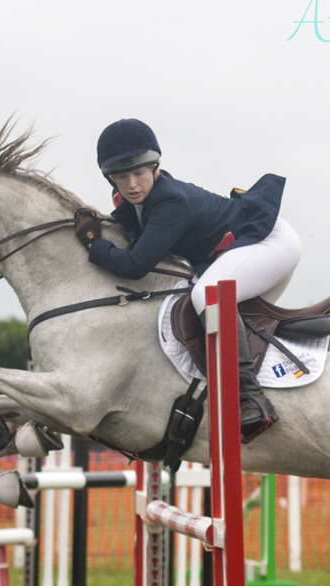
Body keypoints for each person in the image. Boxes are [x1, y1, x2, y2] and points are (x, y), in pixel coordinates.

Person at [74, 118, 301, 443]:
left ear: (156, 166)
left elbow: (137, 264)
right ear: (110, 177)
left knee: (208, 294)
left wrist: (95, 246)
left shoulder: (169, 201)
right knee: (207, 303)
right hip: (245, 246)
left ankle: (251, 398)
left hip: (269, 241)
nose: (132, 184)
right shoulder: (132, 202)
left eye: (138, 172)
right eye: (121, 177)